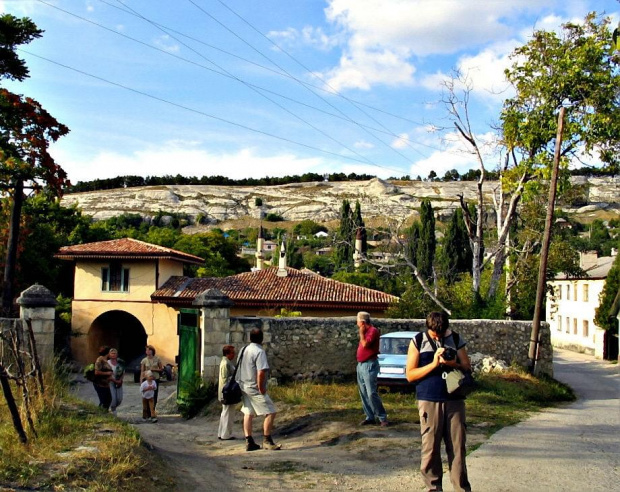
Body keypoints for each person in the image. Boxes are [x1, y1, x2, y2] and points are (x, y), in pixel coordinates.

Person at [406, 312, 472, 492]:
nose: (438, 338)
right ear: (428, 328)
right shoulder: (418, 341)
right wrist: (434, 364)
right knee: (431, 450)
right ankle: (433, 488)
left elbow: (467, 367)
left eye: (441, 335)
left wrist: (453, 364)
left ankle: (461, 488)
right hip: (429, 400)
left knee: (458, 449)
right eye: (435, 335)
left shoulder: (456, 339)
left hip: (454, 400)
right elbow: (410, 375)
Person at [237, 327, 281, 451]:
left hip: (243, 385)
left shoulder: (243, 349)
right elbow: (261, 371)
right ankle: (267, 439)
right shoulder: (259, 352)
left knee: (248, 412)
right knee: (271, 411)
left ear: (250, 338)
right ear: (261, 339)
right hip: (254, 387)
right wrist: (261, 387)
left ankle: (249, 441)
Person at [356, 311, 388, 427]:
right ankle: (369, 416)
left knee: (371, 393)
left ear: (362, 322)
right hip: (361, 365)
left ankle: (382, 417)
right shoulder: (366, 331)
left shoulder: (372, 331)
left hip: (369, 365)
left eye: (358, 321)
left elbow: (365, 344)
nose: (357, 323)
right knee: (363, 392)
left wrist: (361, 333)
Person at [217, 345, 237, 440]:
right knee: (228, 413)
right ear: (227, 353)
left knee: (225, 412)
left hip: (226, 391)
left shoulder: (226, 362)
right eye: (232, 352)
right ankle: (225, 434)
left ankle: (222, 433)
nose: (234, 355)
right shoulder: (225, 363)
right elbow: (225, 379)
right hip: (227, 392)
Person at [140, 344, 163, 415]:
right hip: (147, 380)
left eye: (149, 350)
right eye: (146, 350)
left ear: (152, 351)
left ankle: (152, 412)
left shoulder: (157, 359)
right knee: (146, 395)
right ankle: (146, 412)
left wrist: (154, 369)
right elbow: (142, 371)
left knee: (154, 395)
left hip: (155, 378)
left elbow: (161, 369)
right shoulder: (144, 360)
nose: (148, 352)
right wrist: (141, 380)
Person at [93, 346, 113, 410]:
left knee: (108, 399)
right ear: (108, 353)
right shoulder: (99, 360)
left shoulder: (106, 360)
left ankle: (104, 412)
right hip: (99, 383)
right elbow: (96, 372)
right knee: (103, 400)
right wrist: (107, 373)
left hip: (106, 384)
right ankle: (100, 413)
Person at [107, 348, 125, 416]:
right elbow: (107, 374)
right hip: (111, 382)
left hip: (119, 382)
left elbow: (123, 372)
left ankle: (114, 407)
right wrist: (114, 380)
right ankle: (113, 411)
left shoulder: (120, 362)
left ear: (117, 354)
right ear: (109, 354)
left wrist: (120, 380)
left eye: (115, 353)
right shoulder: (107, 363)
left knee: (119, 399)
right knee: (113, 399)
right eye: (112, 353)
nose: (113, 355)